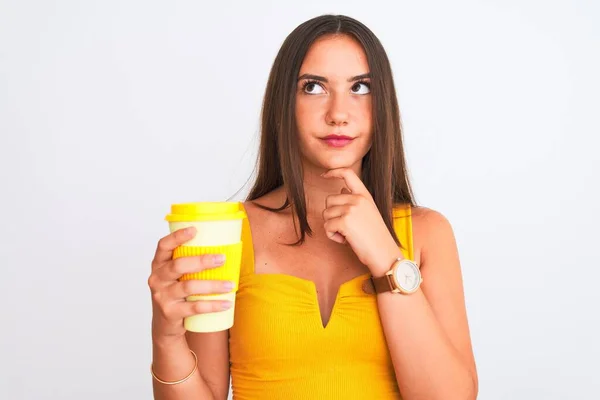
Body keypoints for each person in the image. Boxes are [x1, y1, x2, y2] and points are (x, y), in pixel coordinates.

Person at [148, 14, 478, 400]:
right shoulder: (229, 232)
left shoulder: (427, 233)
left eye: (360, 87)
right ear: (283, 103)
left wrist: (386, 258)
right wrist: (167, 339)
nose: (338, 113)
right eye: (313, 87)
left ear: (384, 103)